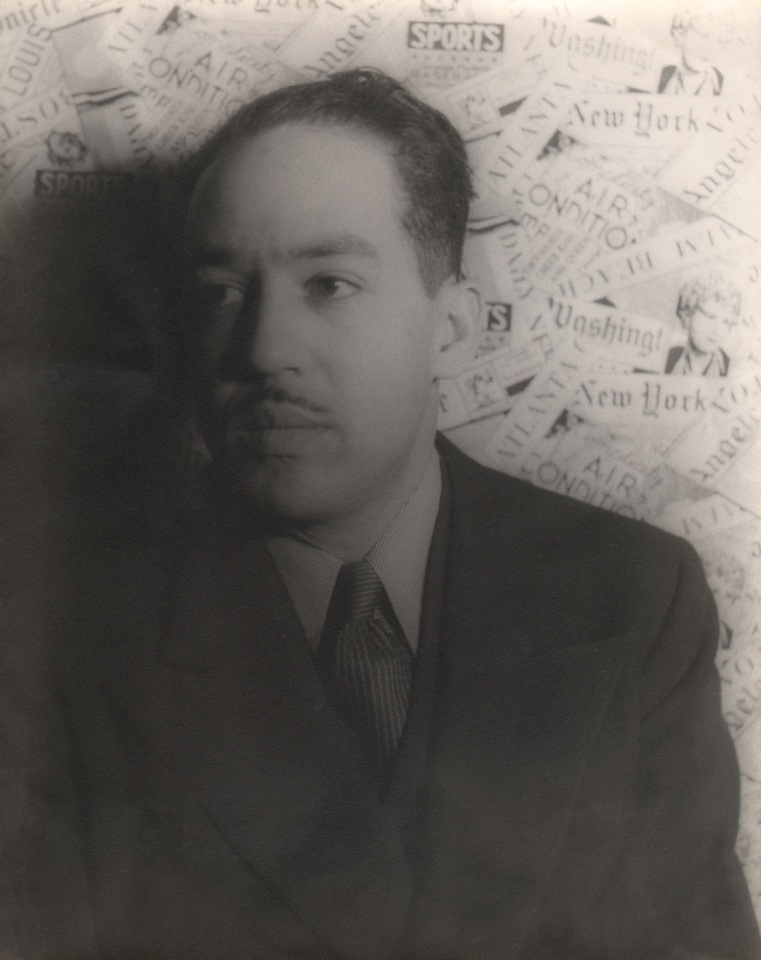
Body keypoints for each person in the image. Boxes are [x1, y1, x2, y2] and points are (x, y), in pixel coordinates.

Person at [24, 69, 759, 960]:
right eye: (221, 293)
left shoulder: (632, 599)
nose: (262, 349)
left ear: (449, 328)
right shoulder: (67, 632)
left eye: (329, 284)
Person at [665, 273, 740, 377]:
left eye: (726, 322)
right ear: (687, 315)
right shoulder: (663, 360)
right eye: (710, 317)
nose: (716, 330)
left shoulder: (734, 370)